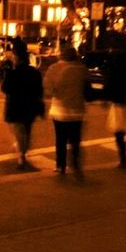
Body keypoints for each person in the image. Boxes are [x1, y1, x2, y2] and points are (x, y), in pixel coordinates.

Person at [44, 46, 89, 177]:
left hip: (60, 110)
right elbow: (87, 89)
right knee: (75, 139)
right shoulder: (82, 69)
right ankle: (75, 163)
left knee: (60, 139)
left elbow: (48, 89)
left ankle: (60, 166)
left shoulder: (54, 69)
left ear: (61, 55)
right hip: (78, 110)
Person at [1, 49, 44, 169]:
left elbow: (5, 88)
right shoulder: (35, 73)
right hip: (30, 106)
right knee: (26, 129)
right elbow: (39, 90)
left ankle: (21, 154)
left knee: (18, 131)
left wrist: (7, 72)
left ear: (17, 58)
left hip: (15, 106)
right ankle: (23, 151)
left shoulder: (13, 72)